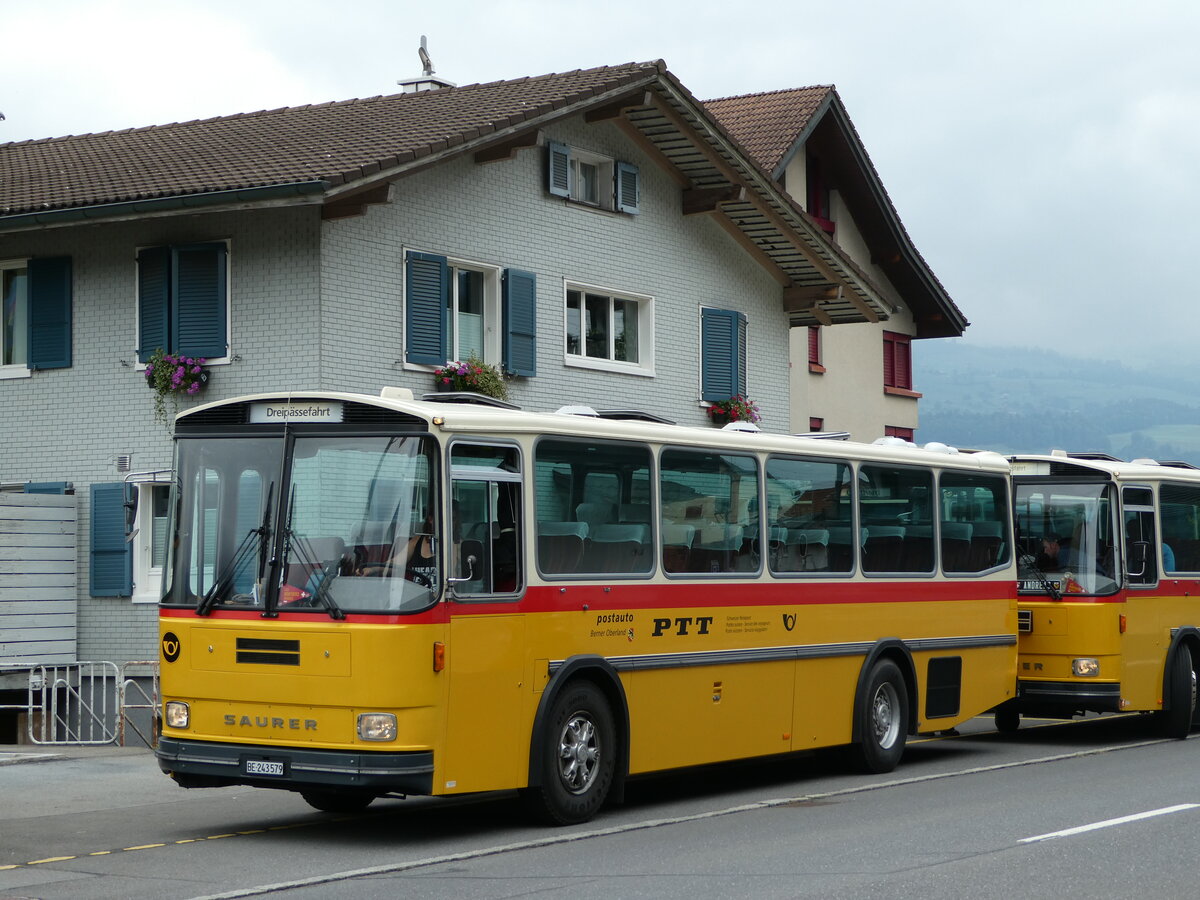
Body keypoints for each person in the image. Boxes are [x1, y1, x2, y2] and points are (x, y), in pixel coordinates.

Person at [358, 510, 436, 585]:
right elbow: (395, 564)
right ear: (430, 519)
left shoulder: (448, 545)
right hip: (420, 595)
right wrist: (372, 569)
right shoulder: (416, 541)